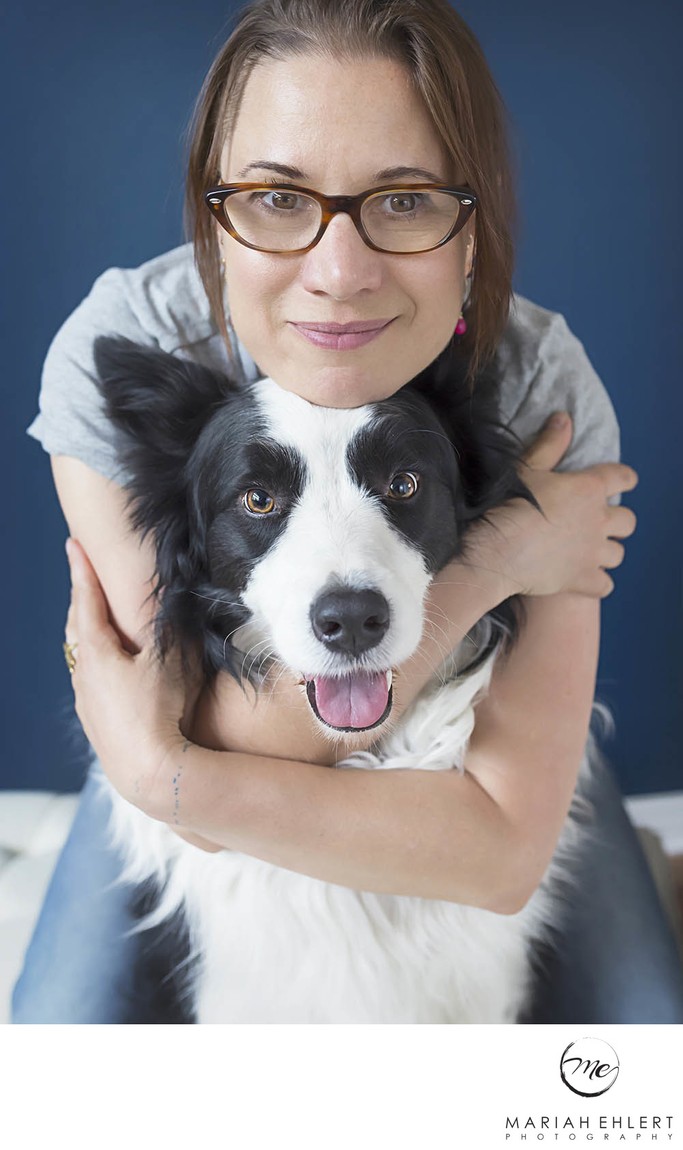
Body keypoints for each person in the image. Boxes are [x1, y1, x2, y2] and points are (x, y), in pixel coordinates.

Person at [14, 0, 683, 1024]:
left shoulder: (534, 382)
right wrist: (499, 557)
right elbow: (213, 734)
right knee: (51, 1072)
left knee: (644, 1069)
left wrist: (179, 774)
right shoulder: (126, 355)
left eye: (403, 200)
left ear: (474, 227)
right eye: (278, 198)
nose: (338, 272)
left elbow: (499, 858)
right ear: (210, 216)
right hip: (192, 798)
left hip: (487, 740)